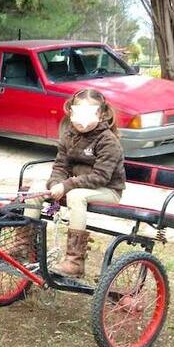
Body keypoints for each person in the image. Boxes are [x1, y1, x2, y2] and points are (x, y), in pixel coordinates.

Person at [22, 89, 126, 277]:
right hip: (76, 186)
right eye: (77, 113)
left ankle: (74, 261)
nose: (81, 121)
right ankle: (24, 247)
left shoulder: (108, 141)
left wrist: (67, 185)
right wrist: (55, 183)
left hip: (107, 189)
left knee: (76, 196)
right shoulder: (69, 135)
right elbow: (60, 165)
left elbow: (100, 177)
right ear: (71, 112)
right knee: (37, 187)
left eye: (89, 113)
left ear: (101, 114)